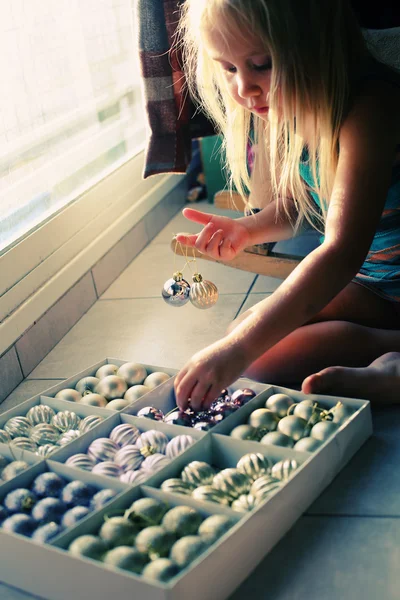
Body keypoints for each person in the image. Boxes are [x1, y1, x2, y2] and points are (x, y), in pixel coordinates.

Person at [172, 0, 400, 411]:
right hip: (378, 284)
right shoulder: (295, 107)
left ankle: (391, 360)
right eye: (229, 68)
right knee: (251, 343)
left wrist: (238, 351)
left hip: (376, 279)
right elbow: (302, 204)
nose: (244, 89)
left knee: (247, 350)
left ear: (318, 46)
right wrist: (248, 229)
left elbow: (341, 252)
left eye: (261, 64)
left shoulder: (371, 109)